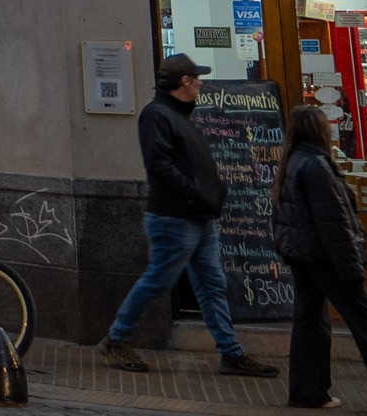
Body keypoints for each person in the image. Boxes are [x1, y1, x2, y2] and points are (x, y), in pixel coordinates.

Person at [100, 55, 276, 378]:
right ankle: (117, 338)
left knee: (212, 284)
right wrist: (197, 192)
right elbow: (160, 165)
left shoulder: (179, 115)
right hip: (175, 218)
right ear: (184, 82)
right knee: (159, 280)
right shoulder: (157, 115)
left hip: (198, 217)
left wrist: (212, 191)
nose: (201, 84)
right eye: (196, 78)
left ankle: (231, 352)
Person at [271, 103, 367, 414]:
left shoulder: (292, 162)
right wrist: (351, 265)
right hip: (326, 257)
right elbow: (333, 222)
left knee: (310, 322)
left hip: (304, 255)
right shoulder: (316, 166)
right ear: (321, 131)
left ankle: (307, 392)